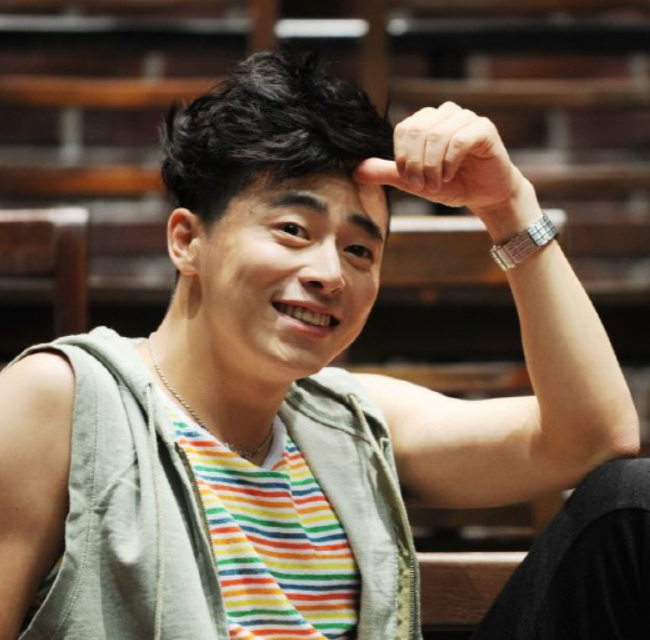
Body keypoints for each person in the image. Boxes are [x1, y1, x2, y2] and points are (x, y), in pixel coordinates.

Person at [0, 47, 646, 640]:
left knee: (632, 502)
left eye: (360, 250)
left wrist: (509, 207)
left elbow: (593, 438)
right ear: (187, 241)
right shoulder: (59, 402)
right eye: (292, 229)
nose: (330, 273)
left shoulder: (351, 422)